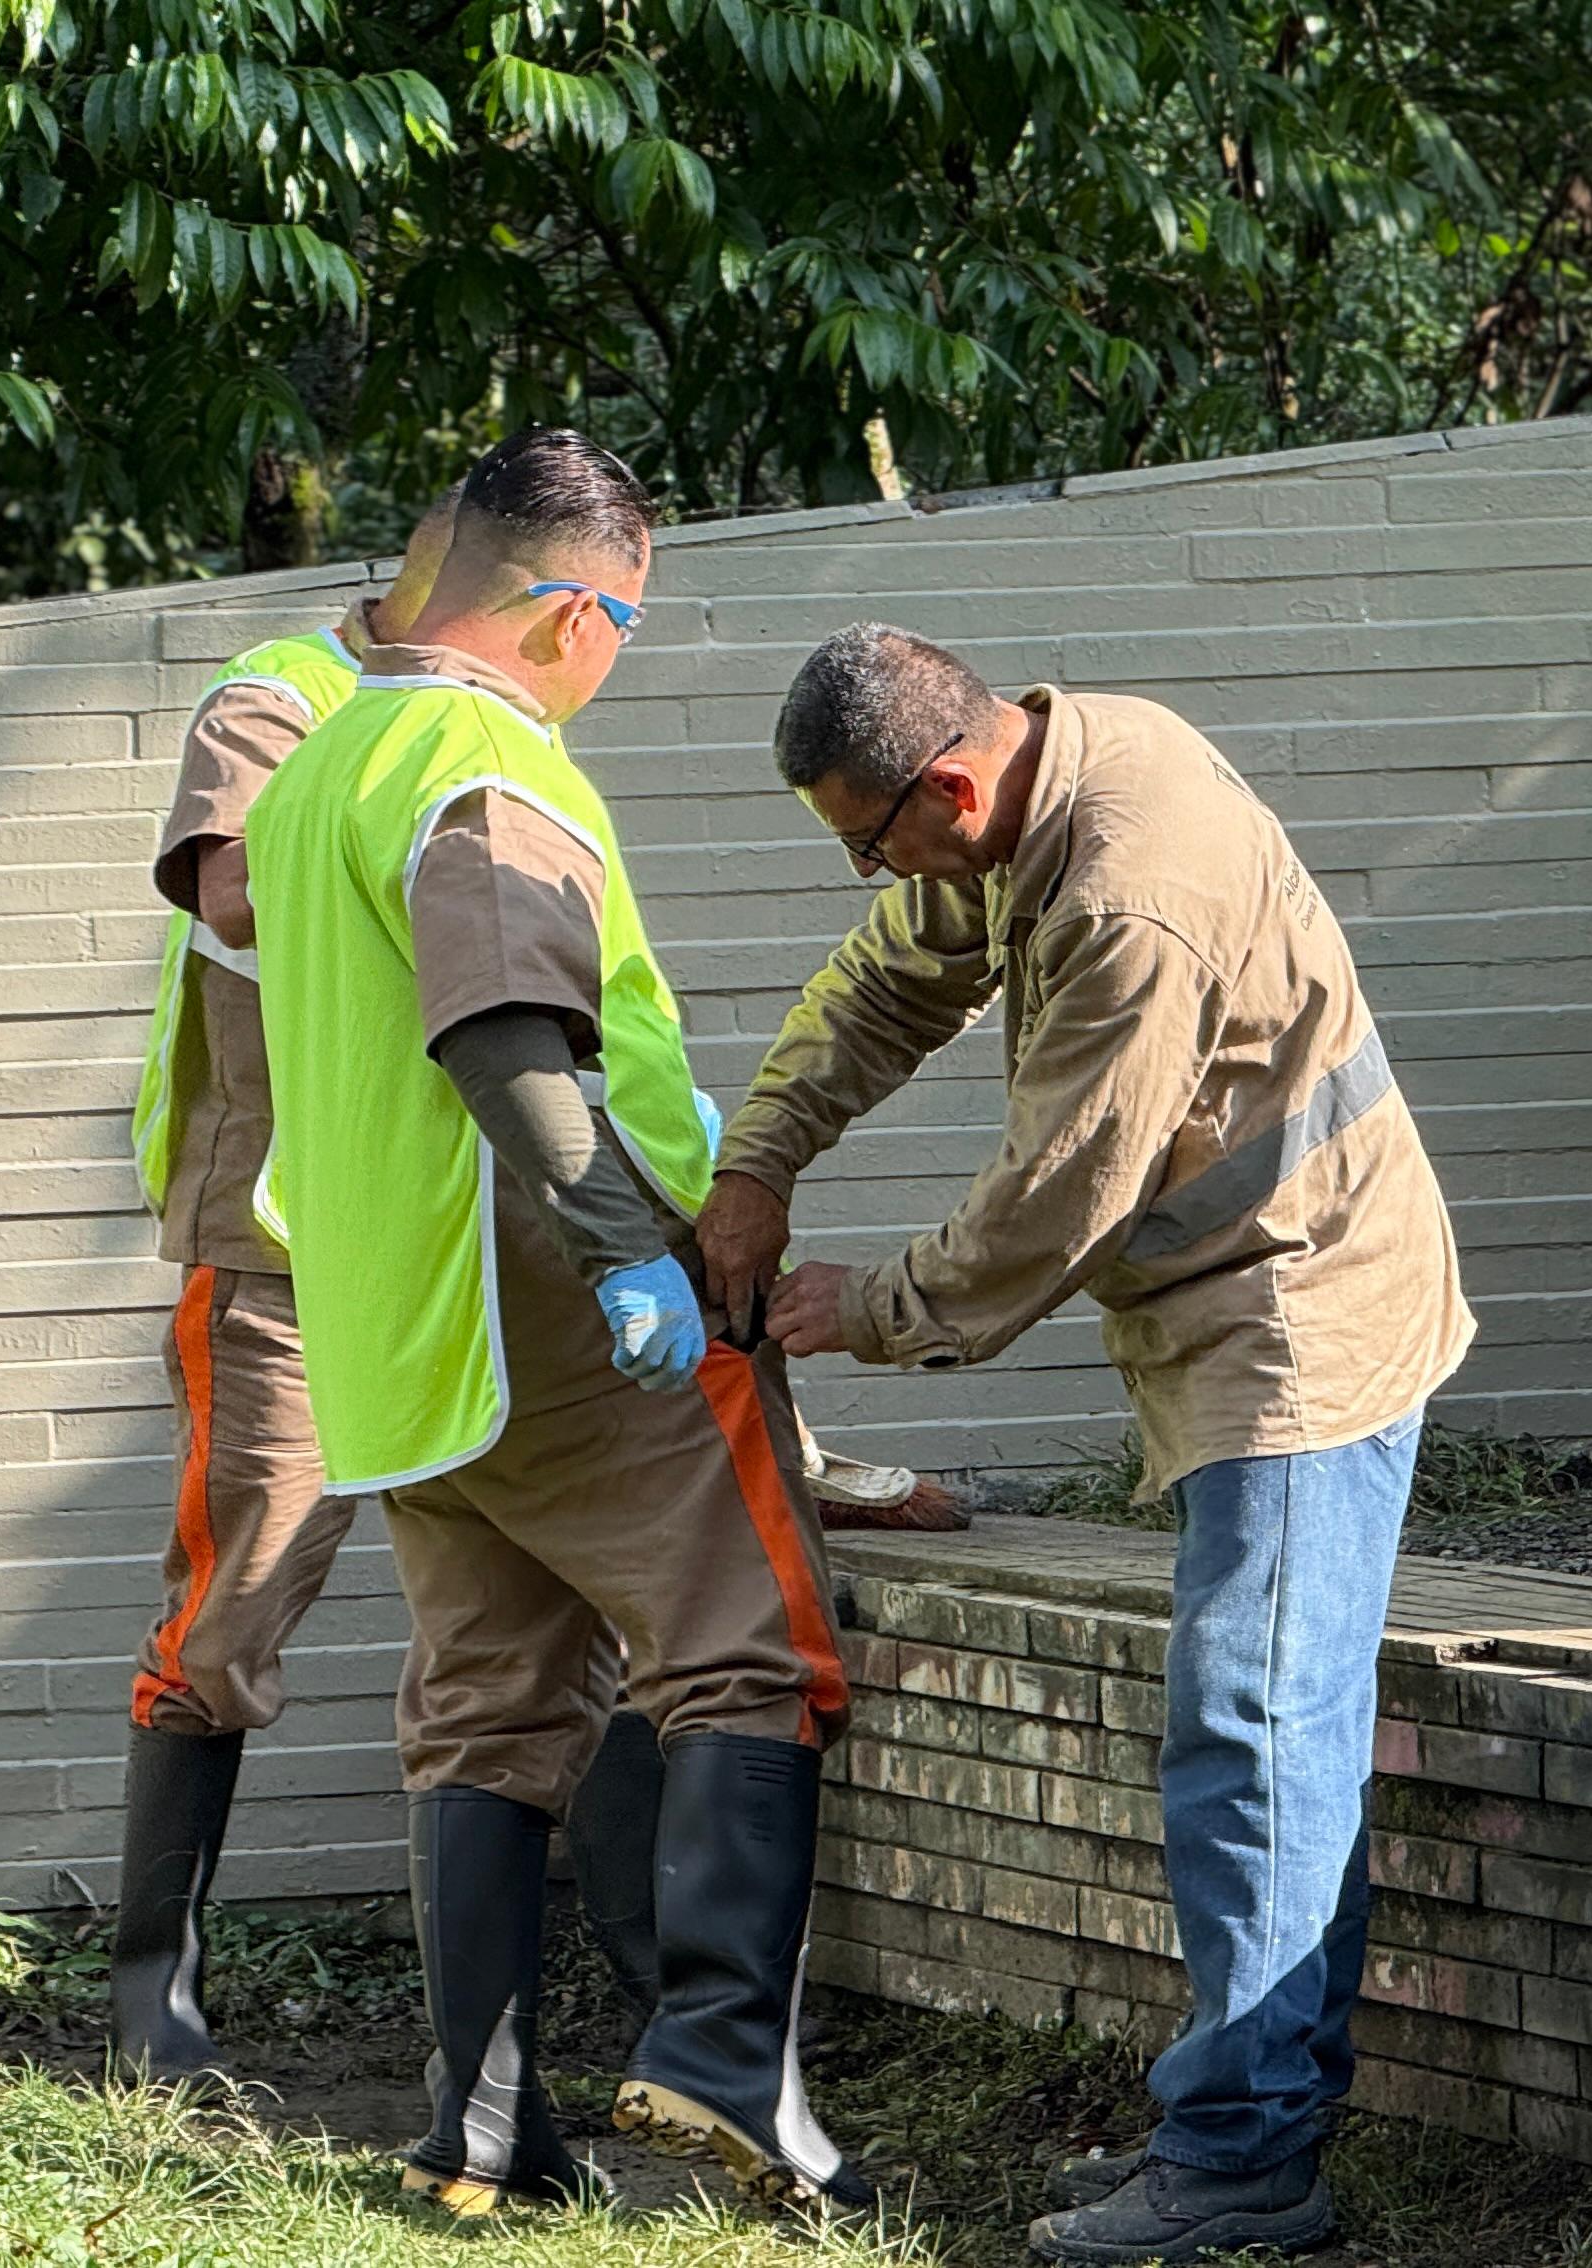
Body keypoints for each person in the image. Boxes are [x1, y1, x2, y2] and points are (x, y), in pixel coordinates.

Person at [697, 625, 1472, 2266]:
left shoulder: (1130, 892)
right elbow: (897, 972)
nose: (870, 872)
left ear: (952, 785)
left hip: (1299, 1311)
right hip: (1233, 1294)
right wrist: (761, 1156)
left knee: (1253, 1729)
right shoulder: (1033, 792)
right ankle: (1255, 2124)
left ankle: (1246, 2168)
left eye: (868, 837)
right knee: (1283, 1729)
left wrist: (870, 1303)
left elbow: (1062, 1192)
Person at [245, 429, 860, 2217]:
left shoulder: (322, 761)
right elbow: (504, 1025)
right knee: (748, 1645)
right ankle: (724, 2065)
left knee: (487, 1712)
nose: (618, 662)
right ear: (568, 610)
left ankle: (483, 2137)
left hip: (407, 1329)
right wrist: (627, 1252)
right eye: (628, 626)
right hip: (568, 1305)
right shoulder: (473, 754)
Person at [107, 497, 677, 2084]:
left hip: (476, 1255)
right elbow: (233, 898)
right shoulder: (283, 698)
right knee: (239, 1599)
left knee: (592, 1625)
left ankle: (639, 2006)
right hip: (285, 1248)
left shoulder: (490, 733)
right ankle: (155, 2002)